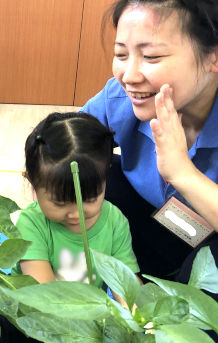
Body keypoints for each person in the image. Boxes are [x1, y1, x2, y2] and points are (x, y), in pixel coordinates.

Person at [81, 0, 218, 292]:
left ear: (213, 56)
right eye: (121, 54)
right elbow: (64, 141)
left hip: (207, 246)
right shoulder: (121, 98)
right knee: (93, 169)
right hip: (160, 232)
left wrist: (183, 173)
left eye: (151, 57)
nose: (129, 76)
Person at [14, 112, 139, 301]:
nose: (76, 214)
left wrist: (136, 312)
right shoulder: (31, 224)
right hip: (38, 315)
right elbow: (44, 296)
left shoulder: (115, 221)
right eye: (60, 203)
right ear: (32, 182)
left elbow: (126, 285)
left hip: (89, 318)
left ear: (106, 180)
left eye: (89, 199)